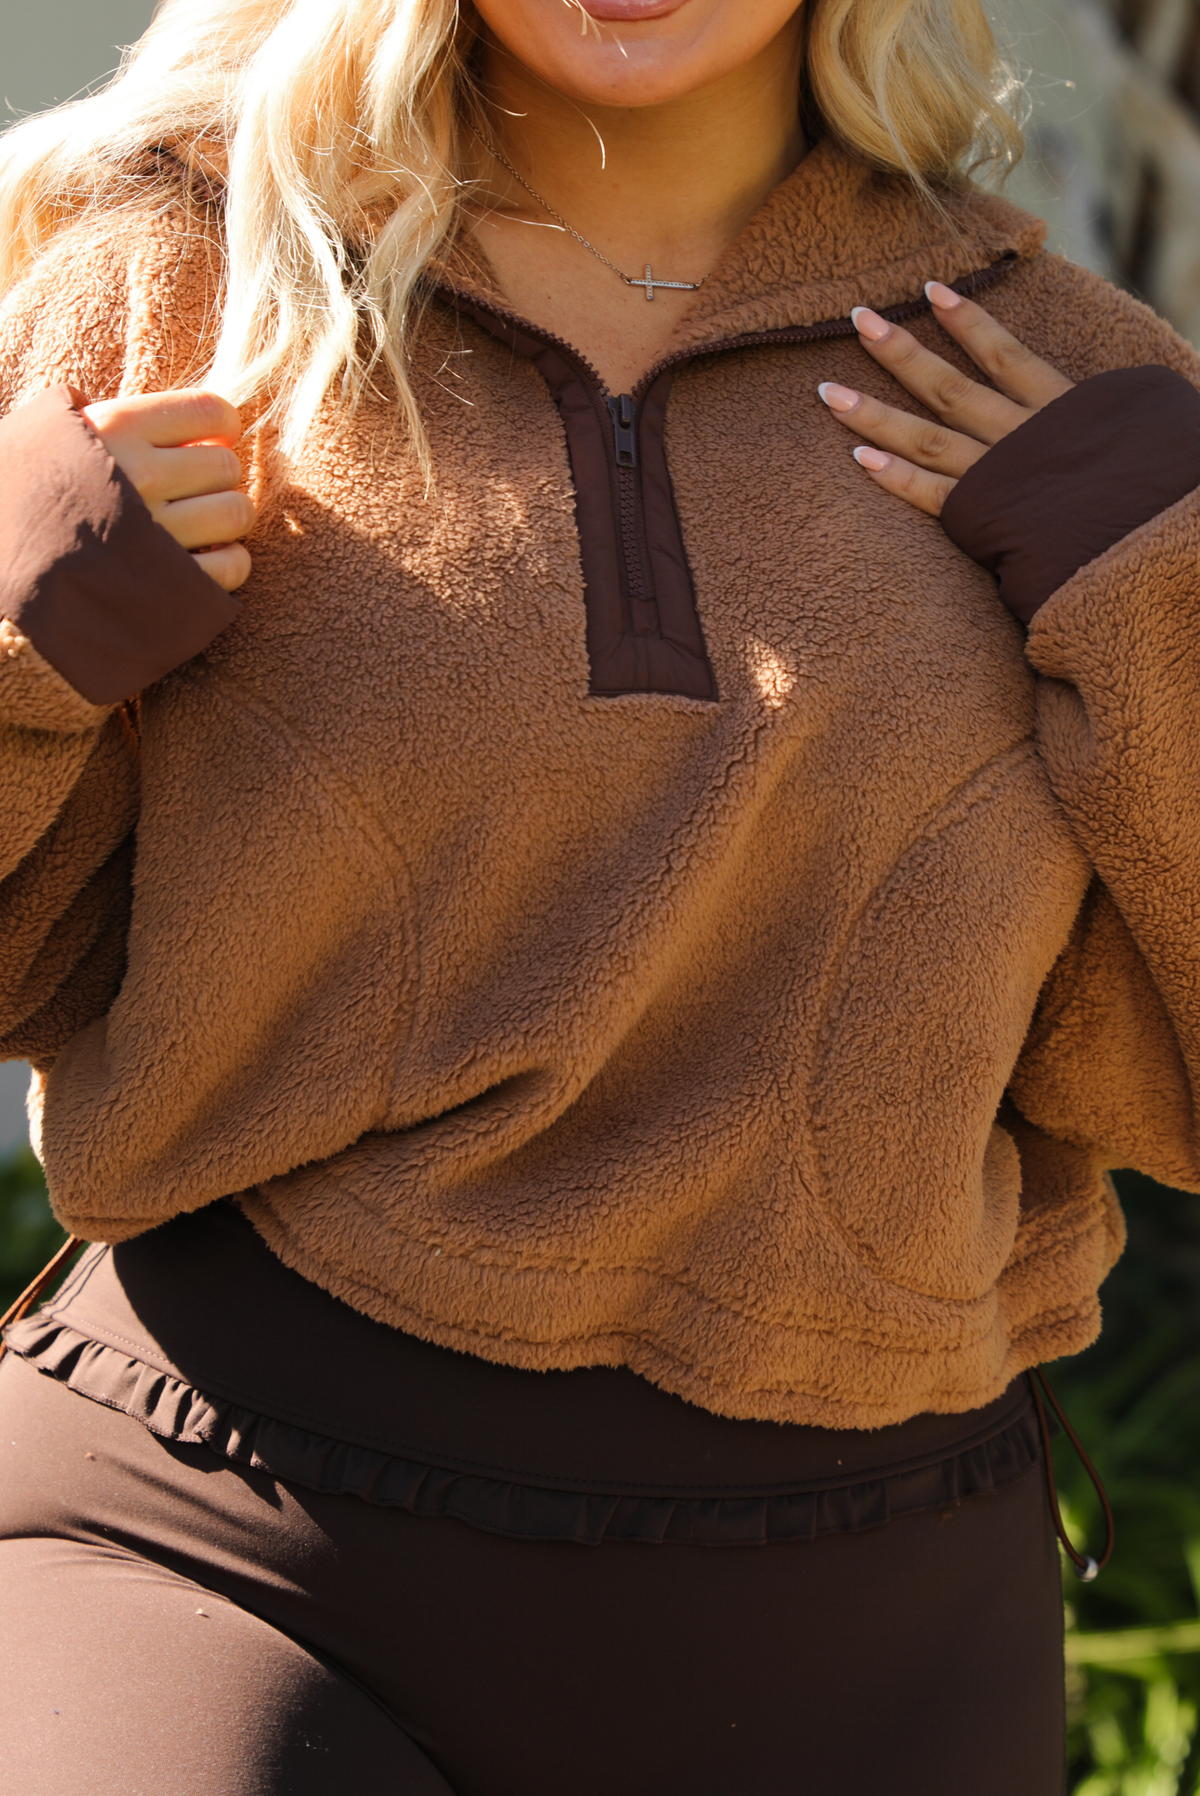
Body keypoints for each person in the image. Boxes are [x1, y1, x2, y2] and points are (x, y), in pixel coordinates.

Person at [1, 0, 1198, 1790]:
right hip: (221, 1539)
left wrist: (1164, 614)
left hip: (870, 1614)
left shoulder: (1066, 379)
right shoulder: (187, 279)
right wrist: (16, 626)